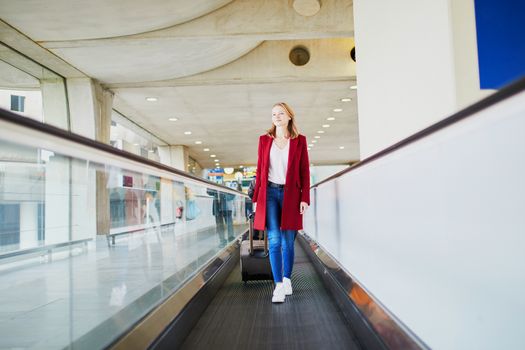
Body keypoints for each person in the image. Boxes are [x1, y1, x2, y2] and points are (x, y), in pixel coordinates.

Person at [252, 102, 310, 303]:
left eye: (281, 113)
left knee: (287, 242)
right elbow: (260, 171)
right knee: (274, 240)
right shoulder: (264, 140)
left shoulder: (299, 141)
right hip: (269, 194)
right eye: (273, 114)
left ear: (289, 117)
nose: (276, 116)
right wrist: (256, 198)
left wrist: (305, 198)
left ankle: (287, 279)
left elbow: (304, 171)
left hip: (291, 195)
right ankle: (277, 286)